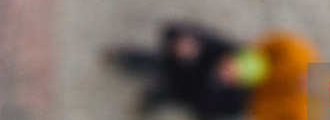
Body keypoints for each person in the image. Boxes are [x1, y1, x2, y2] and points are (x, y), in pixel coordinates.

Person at [106, 25, 271, 118]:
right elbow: (175, 29)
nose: (226, 68)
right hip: (174, 68)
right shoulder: (219, 49)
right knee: (151, 62)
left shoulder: (234, 101)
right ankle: (122, 59)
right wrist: (182, 42)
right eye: (230, 63)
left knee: (162, 95)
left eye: (233, 73)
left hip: (182, 94)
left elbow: (203, 110)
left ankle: (148, 102)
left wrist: (214, 85)